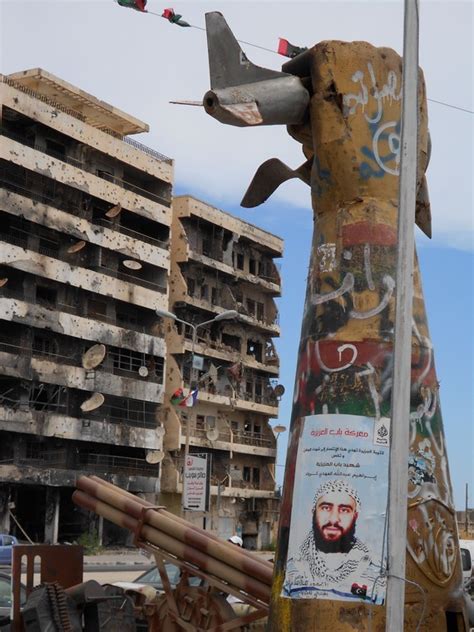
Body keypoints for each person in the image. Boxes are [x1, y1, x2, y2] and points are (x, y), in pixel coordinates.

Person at [284, 480, 382, 600]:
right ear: (313, 512)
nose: (334, 519)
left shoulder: (374, 571)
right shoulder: (294, 566)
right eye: (326, 508)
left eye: (344, 510)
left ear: (355, 517)